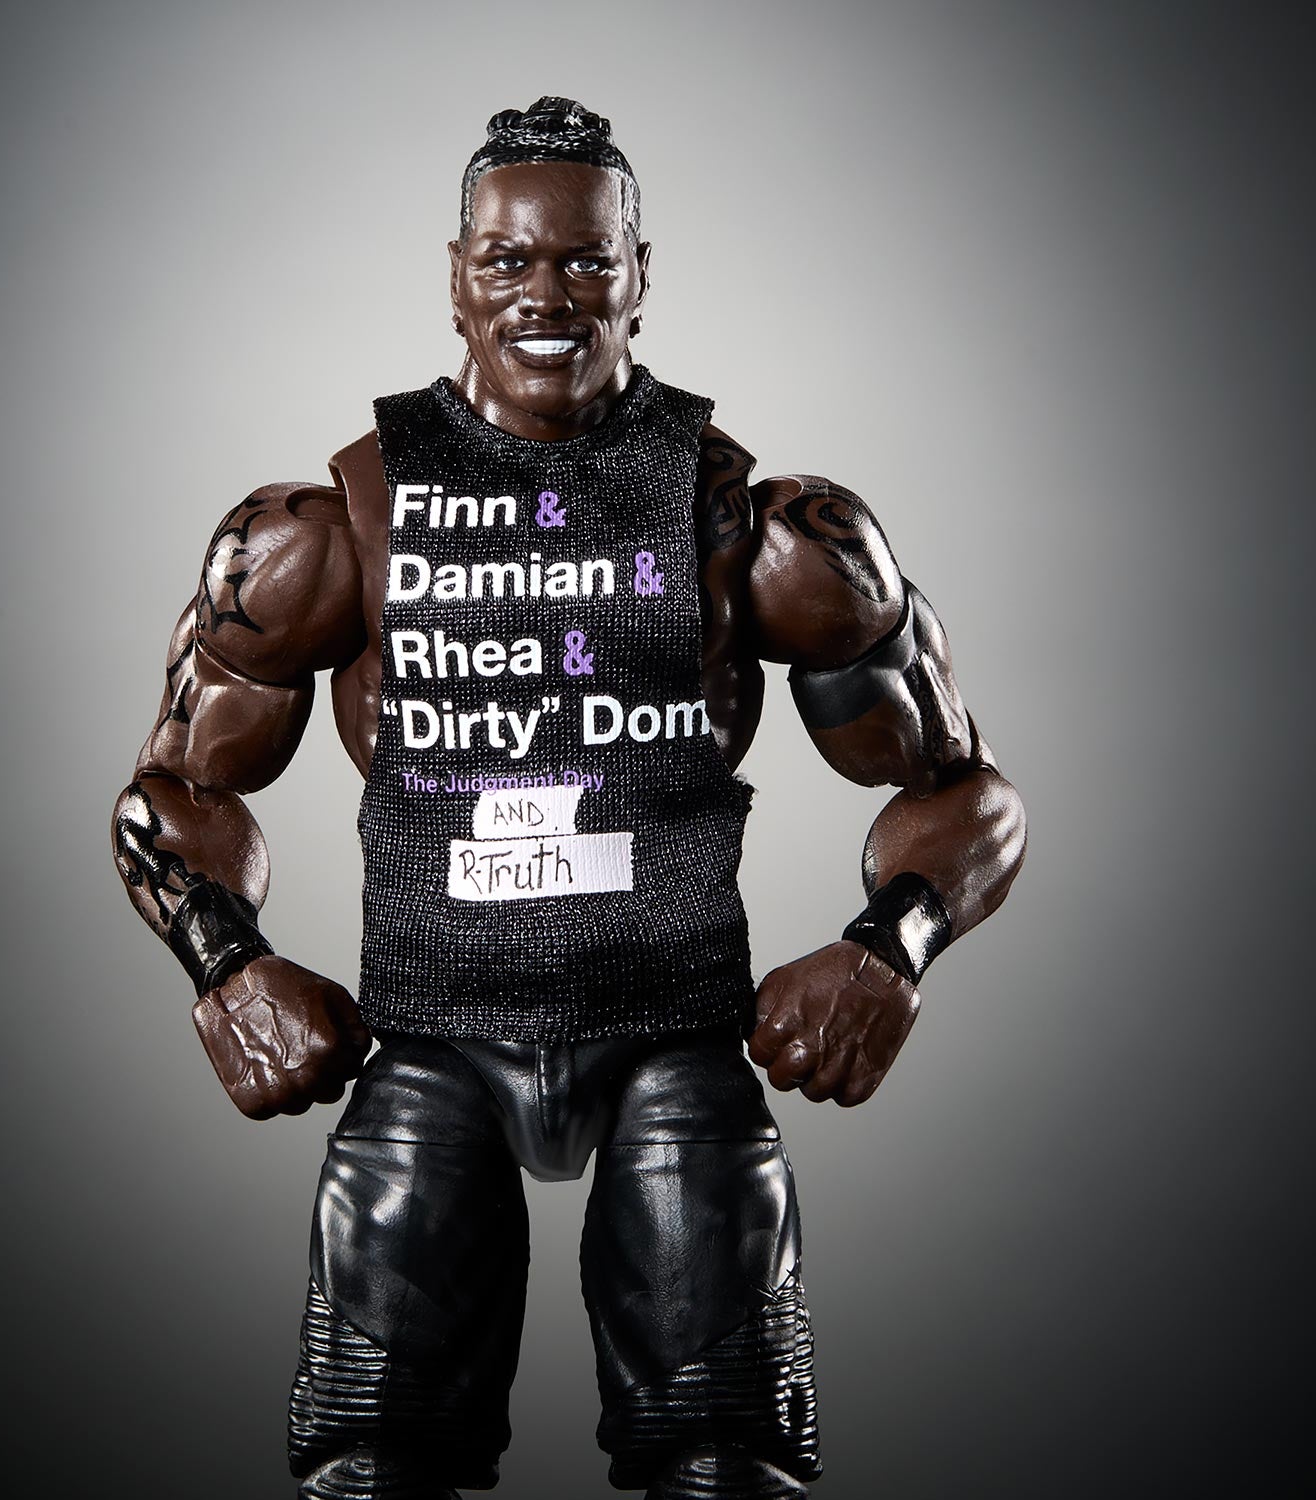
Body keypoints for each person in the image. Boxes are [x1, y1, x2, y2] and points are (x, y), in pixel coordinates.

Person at [112, 97, 1025, 1500]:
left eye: (587, 262)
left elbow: (966, 793)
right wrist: (226, 968)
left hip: (671, 1026)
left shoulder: (769, 532)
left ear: (640, 275)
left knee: (729, 1460)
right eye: (509, 262)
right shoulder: (325, 533)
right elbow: (172, 791)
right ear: (457, 277)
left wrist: (888, 947)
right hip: (436, 1027)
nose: (547, 295)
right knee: (367, 1463)